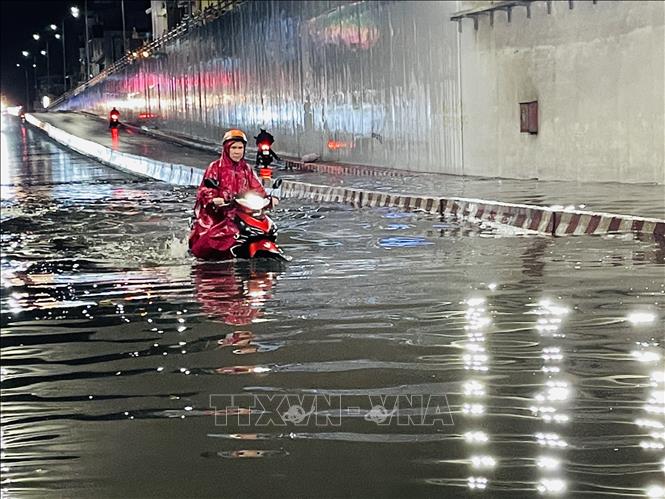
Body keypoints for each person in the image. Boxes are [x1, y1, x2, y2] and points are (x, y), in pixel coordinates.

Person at [189, 128, 276, 260]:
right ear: (226, 149)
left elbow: (257, 188)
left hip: (242, 212)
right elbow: (205, 190)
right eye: (234, 147)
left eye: (240, 148)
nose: (237, 151)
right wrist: (214, 199)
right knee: (212, 239)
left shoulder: (246, 169)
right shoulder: (215, 167)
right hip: (219, 214)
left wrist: (268, 199)